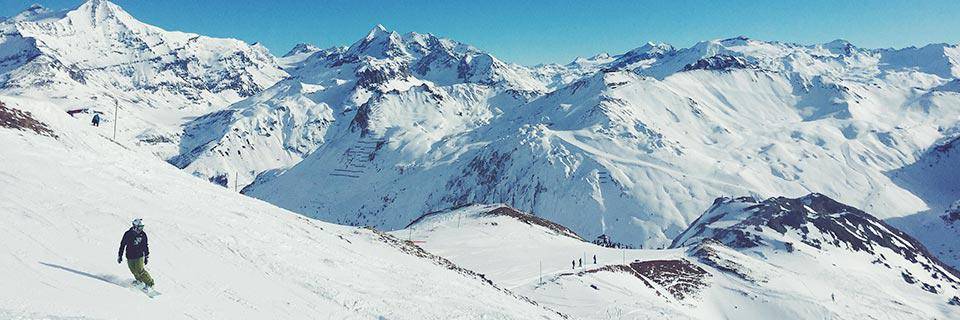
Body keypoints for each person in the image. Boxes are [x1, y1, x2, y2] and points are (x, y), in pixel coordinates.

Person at [118, 218, 153, 288]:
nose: (141, 229)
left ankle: (150, 283)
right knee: (133, 270)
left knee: (140, 270)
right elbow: (122, 245)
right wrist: (120, 255)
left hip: (139, 256)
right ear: (134, 226)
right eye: (140, 227)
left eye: (142, 227)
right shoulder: (128, 234)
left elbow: (145, 246)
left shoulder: (143, 235)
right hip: (129, 256)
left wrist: (146, 256)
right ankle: (139, 281)